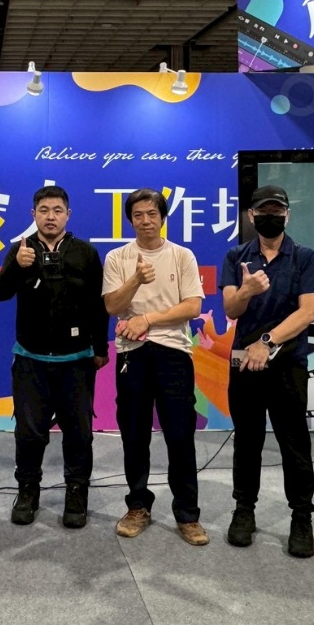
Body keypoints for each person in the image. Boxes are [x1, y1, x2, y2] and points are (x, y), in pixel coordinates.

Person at [219, 184, 314, 557]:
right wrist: (246, 290)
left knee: (294, 443)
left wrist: (266, 342)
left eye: (277, 211)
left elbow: (307, 313)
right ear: (251, 216)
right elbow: (231, 309)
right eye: (263, 211)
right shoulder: (236, 256)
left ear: (287, 215)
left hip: (287, 365)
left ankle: (302, 517)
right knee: (247, 442)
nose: (270, 217)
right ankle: (244, 510)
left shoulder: (305, 257)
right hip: (245, 364)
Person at [0, 186, 108, 528]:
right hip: (31, 360)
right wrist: (17, 266)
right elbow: (1, 292)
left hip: (77, 360)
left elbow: (99, 305)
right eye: (43, 210)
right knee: (29, 433)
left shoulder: (86, 253)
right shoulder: (21, 250)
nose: (50, 216)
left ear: (67, 215)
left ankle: (77, 491)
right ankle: (28, 490)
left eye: (57, 210)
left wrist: (100, 348)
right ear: (34, 215)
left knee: (79, 433)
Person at [102, 188, 207, 545]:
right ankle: (137, 506)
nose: (145, 221)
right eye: (138, 215)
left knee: (180, 436)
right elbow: (112, 306)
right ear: (129, 220)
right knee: (134, 435)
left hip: (174, 353)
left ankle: (188, 514)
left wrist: (147, 319)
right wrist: (136, 279)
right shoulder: (117, 258)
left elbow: (192, 306)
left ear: (162, 217)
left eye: (152, 214)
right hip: (132, 353)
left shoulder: (182, 255)